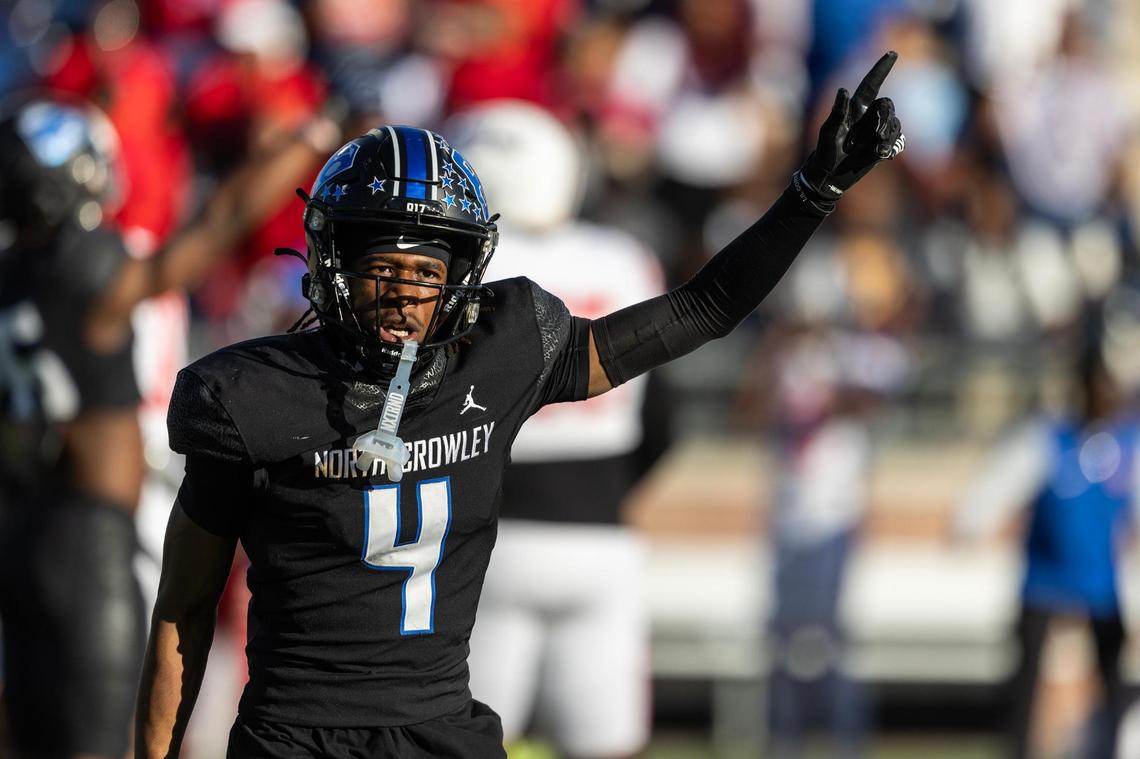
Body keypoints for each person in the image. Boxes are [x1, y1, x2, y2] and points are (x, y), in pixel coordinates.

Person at [135, 52, 905, 758]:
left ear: (463, 274)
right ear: (333, 261)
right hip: (296, 739)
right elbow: (183, 608)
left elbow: (699, 309)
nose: (404, 295)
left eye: (426, 271)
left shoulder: (504, 351)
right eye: (382, 268)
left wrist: (811, 194)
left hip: (441, 732)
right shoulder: (250, 395)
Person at [0, 96, 330, 759]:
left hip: (17, 533)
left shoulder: (9, 277)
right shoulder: (91, 265)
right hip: (90, 545)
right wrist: (312, 136)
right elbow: (220, 220)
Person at [449, 101, 668, 758]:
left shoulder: (466, 263)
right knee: (607, 745)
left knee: (467, 740)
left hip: (488, 532)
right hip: (601, 531)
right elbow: (664, 420)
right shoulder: (622, 258)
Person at [953, 337, 1138, 759]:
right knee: (1026, 682)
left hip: (1101, 582)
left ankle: (1106, 748)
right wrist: (970, 526)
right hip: (1045, 577)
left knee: (1111, 677)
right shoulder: (1050, 439)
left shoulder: (1127, 447)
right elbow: (998, 485)